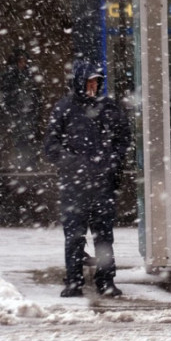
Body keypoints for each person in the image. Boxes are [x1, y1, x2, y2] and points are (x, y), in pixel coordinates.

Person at [43, 59, 132, 297]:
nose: (93, 87)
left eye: (96, 82)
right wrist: (74, 163)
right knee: (74, 236)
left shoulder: (109, 107)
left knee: (104, 236)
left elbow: (124, 139)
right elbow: (51, 145)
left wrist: (111, 161)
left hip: (102, 184)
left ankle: (106, 280)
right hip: (75, 185)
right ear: (80, 82)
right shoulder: (65, 108)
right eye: (89, 82)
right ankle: (74, 281)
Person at [0, 48, 43, 170]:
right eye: (20, 61)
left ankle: (30, 164)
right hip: (17, 115)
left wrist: (34, 107)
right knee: (21, 141)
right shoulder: (10, 77)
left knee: (29, 140)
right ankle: (24, 164)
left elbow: (35, 94)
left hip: (28, 115)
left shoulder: (28, 75)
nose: (23, 64)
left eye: (25, 61)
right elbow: (7, 96)